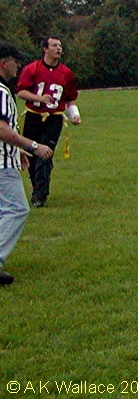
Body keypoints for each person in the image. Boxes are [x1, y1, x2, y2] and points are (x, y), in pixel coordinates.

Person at [0, 41, 55, 283]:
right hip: (2, 165)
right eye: (15, 61)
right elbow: (2, 129)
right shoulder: (2, 92)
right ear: (4, 63)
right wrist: (32, 146)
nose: (18, 65)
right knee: (17, 209)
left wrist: (17, 149)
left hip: (6, 157)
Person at [16, 36, 80, 208]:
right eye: (54, 45)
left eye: (60, 45)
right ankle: (37, 189)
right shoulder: (32, 68)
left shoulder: (66, 72)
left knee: (45, 154)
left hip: (54, 118)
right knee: (32, 154)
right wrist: (39, 98)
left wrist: (74, 114)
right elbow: (21, 92)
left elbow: (70, 98)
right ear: (45, 49)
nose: (58, 48)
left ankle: (40, 196)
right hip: (34, 116)